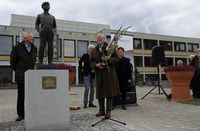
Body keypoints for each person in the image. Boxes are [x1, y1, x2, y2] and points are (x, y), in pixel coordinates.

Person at [90, 33, 120, 119]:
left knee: (109, 93)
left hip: (109, 73)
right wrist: (96, 65)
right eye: (97, 38)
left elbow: (117, 59)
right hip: (99, 74)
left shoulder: (110, 47)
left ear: (104, 38)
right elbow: (91, 62)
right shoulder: (95, 49)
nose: (99, 39)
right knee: (100, 93)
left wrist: (109, 59)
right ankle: (101, 111)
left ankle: (108, 112)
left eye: (100, 37)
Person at [10, 32, 37, 121]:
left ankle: (30, 112)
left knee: (31, 96)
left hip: (31, 76)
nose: (32, 39)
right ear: (25, 39)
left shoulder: (34, 48)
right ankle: (21, 114)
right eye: (31, 38)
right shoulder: (17, 48)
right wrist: (18, 71)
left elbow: (33, 61)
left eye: (32, 38)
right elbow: (13, 62)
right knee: (21, 96)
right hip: (21, 76)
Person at [79, 44, 96, 108]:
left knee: (92, 89)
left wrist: (95, 69)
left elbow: (97, 64)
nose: (91, 50)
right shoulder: (85, 55)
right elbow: (80, 62)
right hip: (86, 74)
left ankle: (91, 102)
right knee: (87, 88)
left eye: (92, 49)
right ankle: (85, 103)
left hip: (93, 74)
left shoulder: (95, 56)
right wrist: (81, 69)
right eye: (90, 48)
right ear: (88, 49)